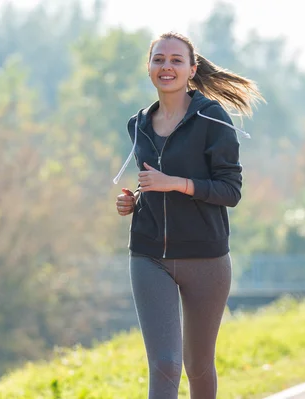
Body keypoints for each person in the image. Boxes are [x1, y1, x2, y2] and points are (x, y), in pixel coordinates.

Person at [113, 31, 264, 399]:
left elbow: (230, 191)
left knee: (197, 365)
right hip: (150, 256)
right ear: (149, 68)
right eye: (159, 59)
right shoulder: (139, 125)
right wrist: (134, 198)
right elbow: (153, 181)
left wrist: (174, 183)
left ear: (192, 69)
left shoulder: (214, 119)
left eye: (176, 60)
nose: (167, 66)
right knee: (164, 363)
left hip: (206, 257)